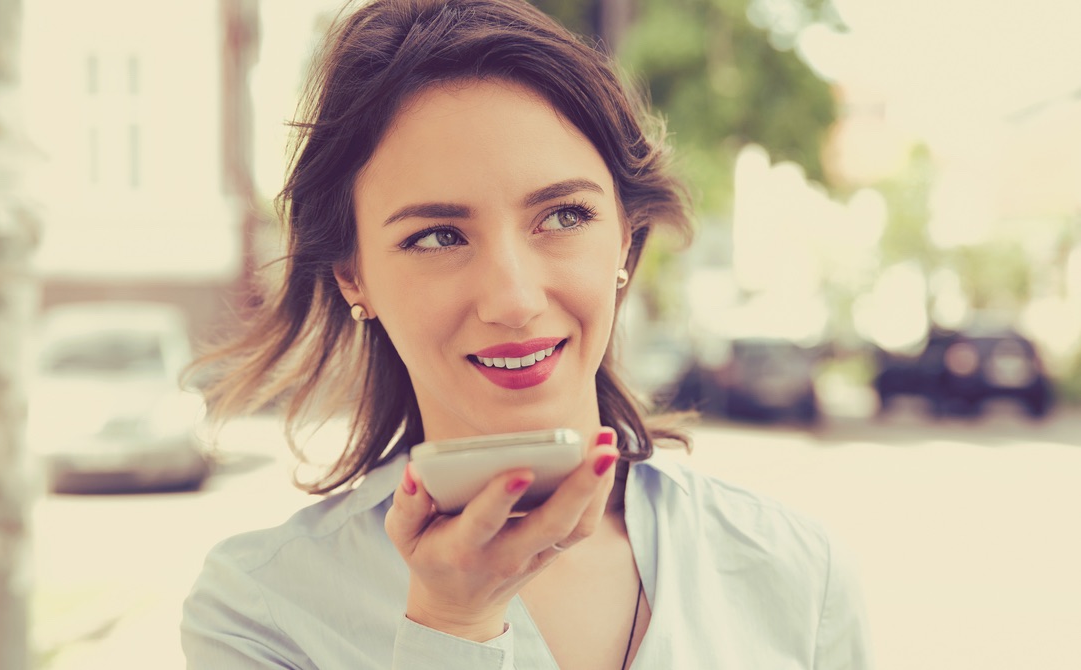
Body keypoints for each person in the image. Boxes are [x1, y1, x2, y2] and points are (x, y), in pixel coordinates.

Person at [181, 0, 874, 668]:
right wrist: (451, 628)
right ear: (352, 276)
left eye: (565, 217)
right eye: (438, 236)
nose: (513, 300)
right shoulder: (260, 612)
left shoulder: (795, 572)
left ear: (626, 242)